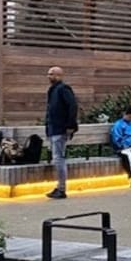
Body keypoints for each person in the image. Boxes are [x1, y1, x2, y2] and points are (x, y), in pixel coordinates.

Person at [44, 65, 77, 199]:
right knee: (57, 158)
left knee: (59, 159)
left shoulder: (63, 89)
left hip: (60, 128)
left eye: (51, 74)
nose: (49, 76)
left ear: (59, 75)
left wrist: (70, 125)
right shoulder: (53, 90)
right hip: (54, 129)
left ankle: (61, 188)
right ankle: (60, 187)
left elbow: (72, 106)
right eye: (48, 74)